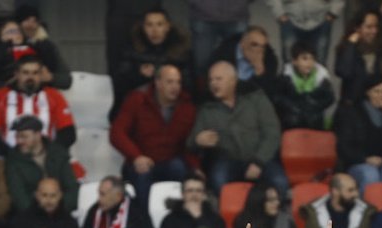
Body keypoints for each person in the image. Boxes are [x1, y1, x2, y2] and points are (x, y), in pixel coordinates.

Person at [188, 61, 288, 197]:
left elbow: (272, 132)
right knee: (218, 181)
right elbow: (190, 143)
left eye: (218, 79)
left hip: (261, 157)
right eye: (211, 80)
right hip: (228, 161)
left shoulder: (256, 98)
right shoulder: (206, 108)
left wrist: (258, 162)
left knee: (280, 182)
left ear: (233, 81)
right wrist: (198, 140)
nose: (213, 84)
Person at [110, 64, 197, 214]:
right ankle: (145, 226)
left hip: (171, 160)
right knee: (143, 175)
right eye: (170, 82)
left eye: (178, 82)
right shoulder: (137, 99)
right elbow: (117, 133)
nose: (175, 87)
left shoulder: (187, 106)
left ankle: (181, 219)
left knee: (182, 171)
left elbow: (188, 144)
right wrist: (136, 156)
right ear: (157, 83)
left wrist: (197, 168)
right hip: (141, 161)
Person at [332, 75, 382, 194]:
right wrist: (365, 159)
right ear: (368, 92)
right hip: (360, 162)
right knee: (370, 175)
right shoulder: (353, 112)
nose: (381, 96)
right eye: (377, 91)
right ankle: (369, 211)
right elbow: (344, 146)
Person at [0, 55, 76, 150]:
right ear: (17, 74)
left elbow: (68, 133)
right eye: (25, 73)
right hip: (9, 158)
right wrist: (11, 155)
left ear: (41, 75)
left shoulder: (54, 96)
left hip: (45, 158)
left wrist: (49, 154)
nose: (30, 77)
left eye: (35, 73)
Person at [113, 8, 192, 113]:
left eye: (159, 24)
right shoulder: (131, 49)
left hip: (173, 105)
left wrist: (169, 76)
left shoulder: (181, 50)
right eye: (149, 25)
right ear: (143, 27)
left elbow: (189, 84)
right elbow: (119, 83)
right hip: (141, 106)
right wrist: (139, 74)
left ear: (167, 26)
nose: (154, 30)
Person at [4, 114, 79, 214]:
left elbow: (72, 188)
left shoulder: (58, 153)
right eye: (17, 137)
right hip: (30, 217)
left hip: (61, 213)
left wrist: (58, 209)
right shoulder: (13, 159)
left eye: (24, 136)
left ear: (38, 134)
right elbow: (19, 197)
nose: (19, 141)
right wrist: (40, 216)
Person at [0, 19, 70, 95]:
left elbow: (66, 80)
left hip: (40, 98)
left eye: (18, 30)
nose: (16, 34)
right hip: (6, 100)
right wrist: (7, 87)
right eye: (11, 31)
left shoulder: (41, 50)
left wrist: (50, 78)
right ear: (1, 37)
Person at [334, 9, 382, 103]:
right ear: (357, 28)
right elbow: (344, 72)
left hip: (379, 102)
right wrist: (351, 46)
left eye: (376, 27)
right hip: (354, 103)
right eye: (369, 27)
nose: (374, 31)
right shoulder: (347, 48)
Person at [272, 41, 336, 131]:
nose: (309, 63)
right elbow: (277, 97)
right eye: (305, 59)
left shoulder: (321, 77)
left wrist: (314, 105)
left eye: (312, 59)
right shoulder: (285, 77)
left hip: (314, 123)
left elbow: (330, 98)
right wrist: (293, 108)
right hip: (292, 123)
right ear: (294, 61)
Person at [209, 26, 281, 100]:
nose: (258, 50)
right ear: (242, 43)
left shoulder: (270, 60)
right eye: (254, 44)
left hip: (253, 104)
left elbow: (269, 94)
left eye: (262, 46)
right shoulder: (223, 53)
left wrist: (259, 71)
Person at [189, 0, 253, 77]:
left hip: (237, 16)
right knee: (201, 63)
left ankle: (235, 87)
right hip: (202, 16)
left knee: (237, 63)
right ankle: (203, 87)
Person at [268, 0, 343, 65]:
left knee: (320, 64)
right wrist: (280, 13)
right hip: (290, 20)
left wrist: (333, 13)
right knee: (289, 64)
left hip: (321, 20)